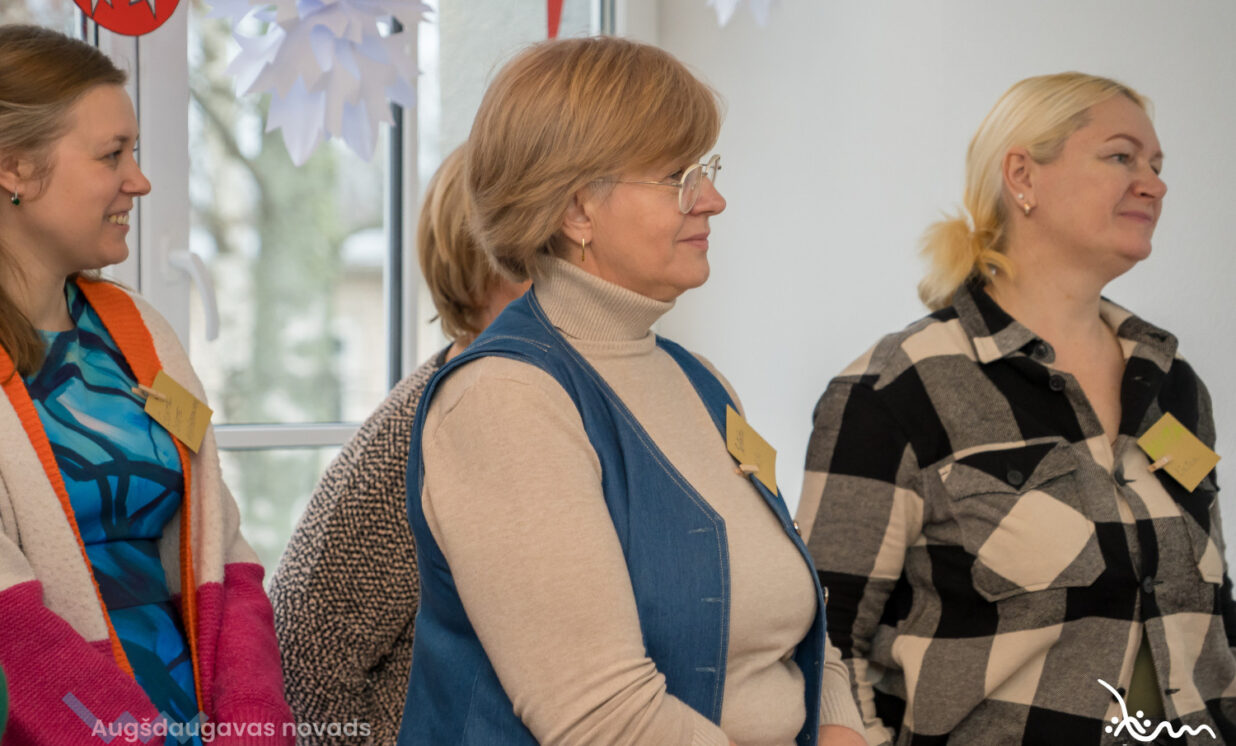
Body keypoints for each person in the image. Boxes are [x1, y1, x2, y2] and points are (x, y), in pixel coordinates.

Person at [397, 36, 865, 746]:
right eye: (678, 176)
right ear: (578, 210)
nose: (714, 200)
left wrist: (840, 729)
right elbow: (602, 715)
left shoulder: (701, 383)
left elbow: (797, 632)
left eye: (705, 170)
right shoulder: (503, 400)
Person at [796, 71, 1236, 744]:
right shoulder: (895, 388)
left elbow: (1212, 613)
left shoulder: (1174, 384)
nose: (1154, 183)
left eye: (1156, 164)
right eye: (1121, 156)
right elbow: (826, 642)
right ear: (1022, 176)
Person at [0, 25, 292, 744]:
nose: (140, 180)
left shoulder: (139, 331)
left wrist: (252, 721)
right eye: (112, 154)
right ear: (14, 169)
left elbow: (219, 545)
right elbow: (14, 635)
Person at [268, 145, 528, 745]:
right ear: (478, 264)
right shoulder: (425, 428)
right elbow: (303, 654)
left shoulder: (537, 400)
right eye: (527, 259)